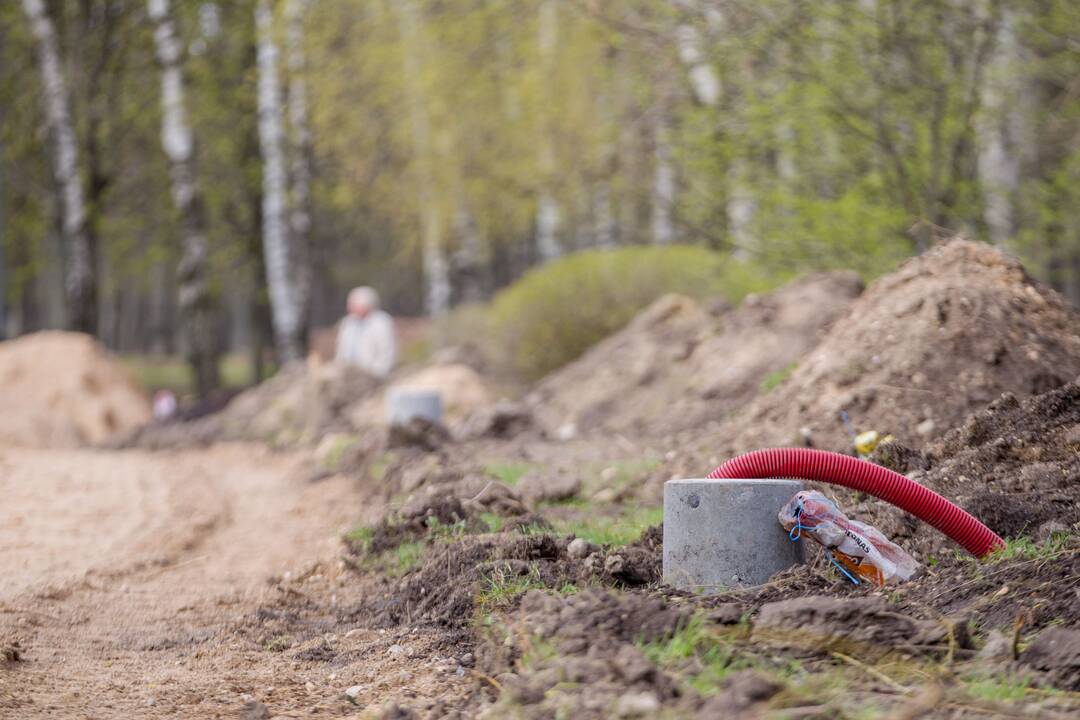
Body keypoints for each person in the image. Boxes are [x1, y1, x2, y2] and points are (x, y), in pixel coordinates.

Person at [335, 286, 397, 378]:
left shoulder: (381, 322)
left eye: (355, 304)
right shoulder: (348, 323)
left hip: (372, 374)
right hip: (348, 373)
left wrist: (375, 373)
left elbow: (387, 353)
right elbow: (341, 351)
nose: (350, 308)